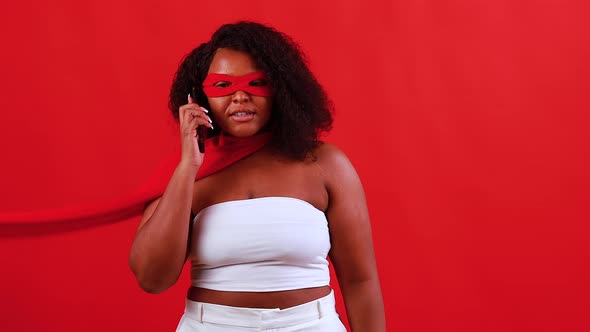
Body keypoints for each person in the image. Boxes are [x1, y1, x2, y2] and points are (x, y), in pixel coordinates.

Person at [129, 21, 385, 331]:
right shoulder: (185, 172)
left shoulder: (324, 163)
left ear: (281, 90)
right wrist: (188, 168)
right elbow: (152, 278)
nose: (239, 97)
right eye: (223, 86)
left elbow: (361, 281)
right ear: (199, 97)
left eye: (256, 84)